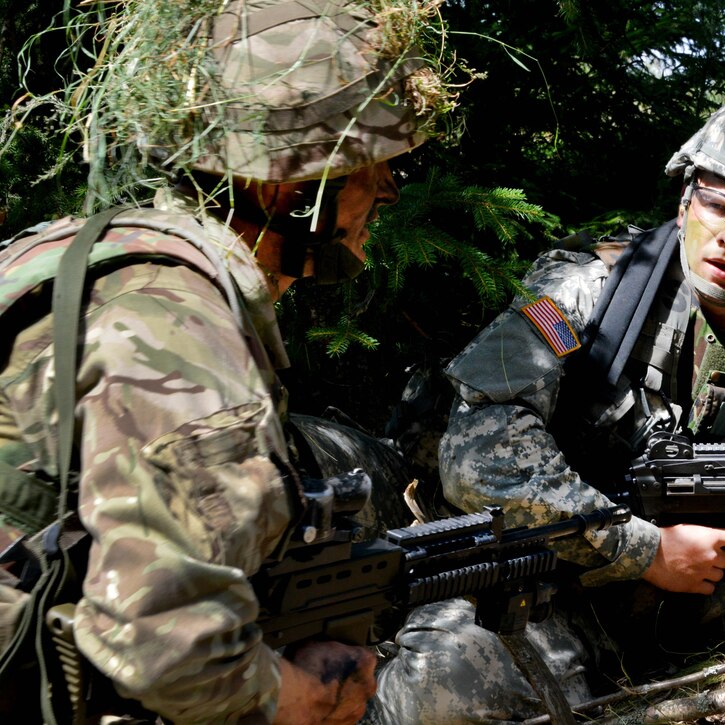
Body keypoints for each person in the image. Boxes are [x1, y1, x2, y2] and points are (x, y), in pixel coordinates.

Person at [0, 1, 456, 722]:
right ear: (295, 188)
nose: (390, 191)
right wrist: (300, 696)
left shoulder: (79, 254)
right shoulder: (177, 329)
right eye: (374, 166)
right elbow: (173, 649)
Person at [365, 94, 725, 724]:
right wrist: (647, 549)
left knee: (456, 686)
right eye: (717, 204)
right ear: (686, 201)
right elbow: (477, 458)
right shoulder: (592, 291)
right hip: (468, 527)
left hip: (596, 603)